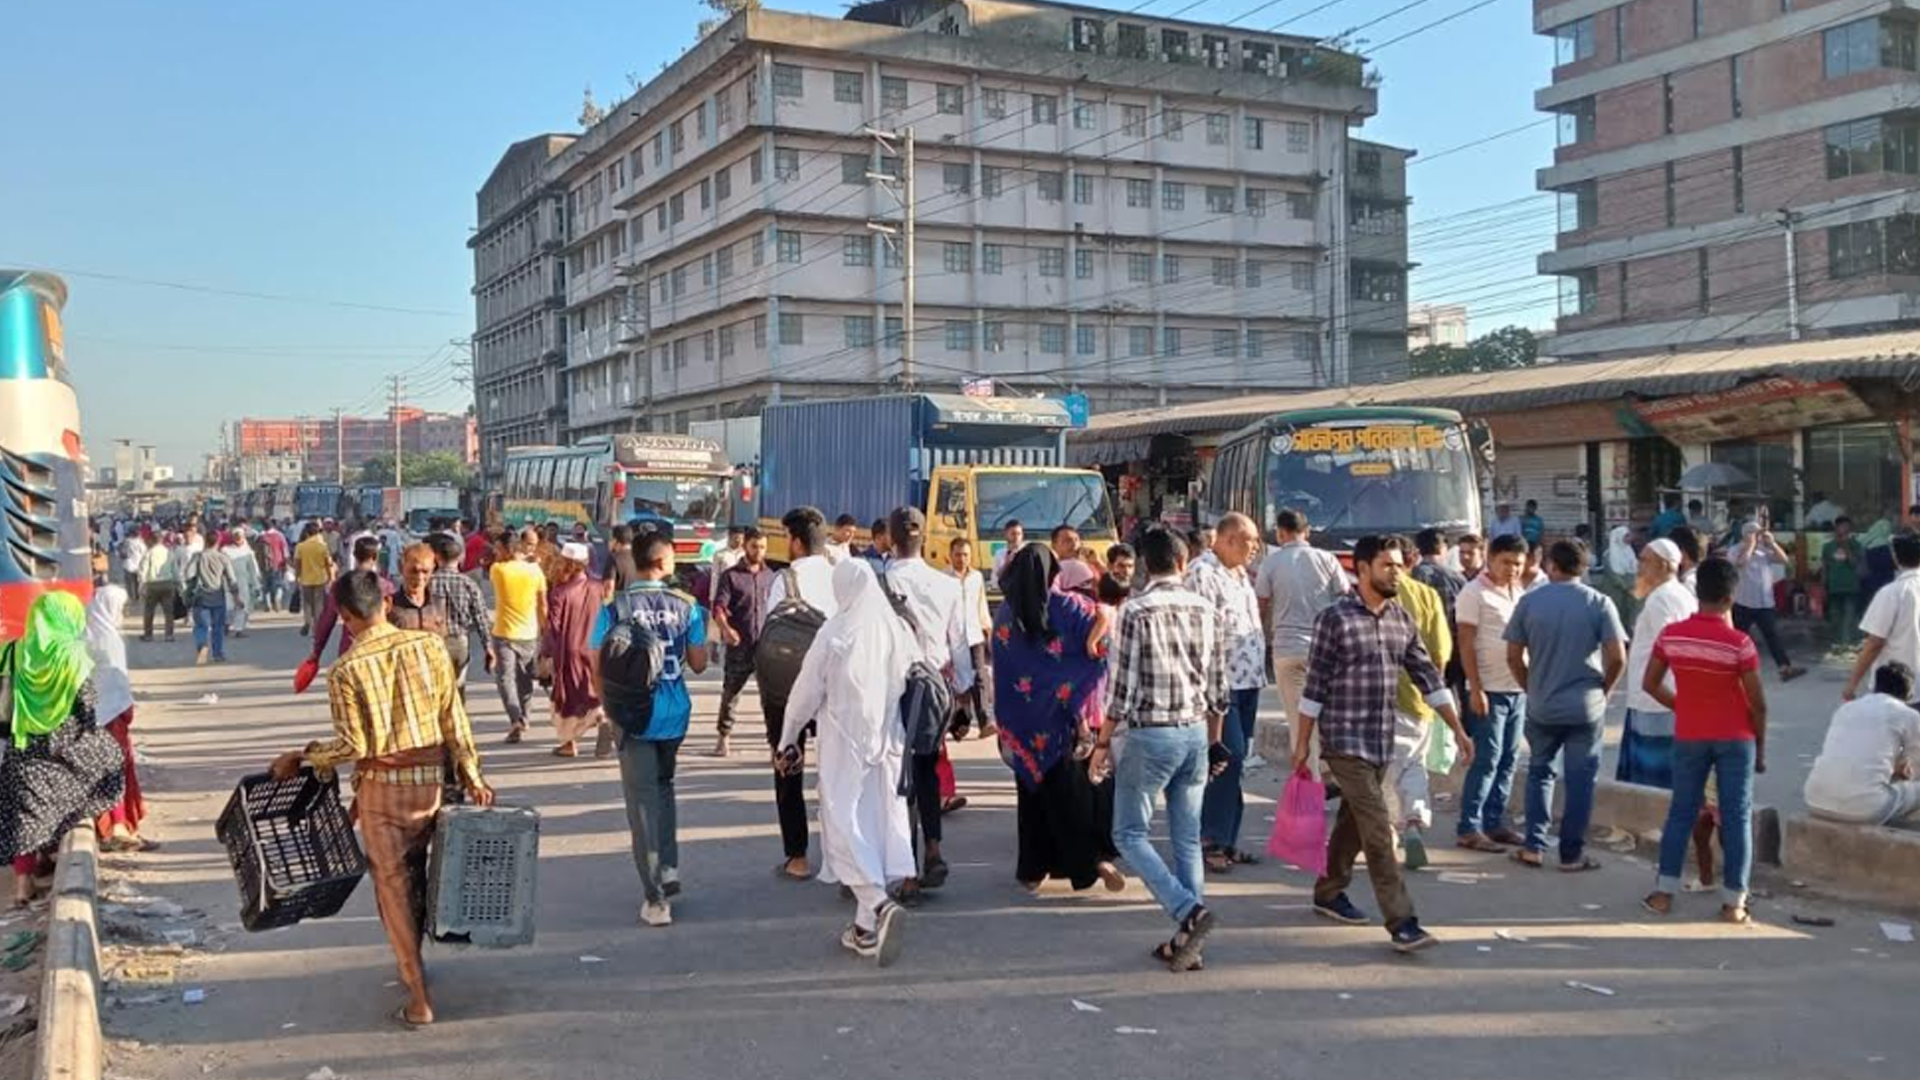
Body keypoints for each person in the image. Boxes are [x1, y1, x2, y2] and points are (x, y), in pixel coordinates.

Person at [269, 571, 492, 1026]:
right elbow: (455, 719)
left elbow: (354, 747)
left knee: (392, 886)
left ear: (346, 617)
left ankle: (417, 995)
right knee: (422, 873)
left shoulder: (346, 670)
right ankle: (418, 960)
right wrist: (472, 776)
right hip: (430, 785)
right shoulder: (430, 646)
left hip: (381, 795)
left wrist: (303, 757)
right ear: (385, 605)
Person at [1295, 535, 1471, 954]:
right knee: (1377, 829)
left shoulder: (1400, 619)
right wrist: (1302, 743)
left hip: (1380, 741)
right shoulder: (1334, 619)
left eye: (1399, 565)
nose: (1397, 572)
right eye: (1387, 566)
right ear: (1362, 569)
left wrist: (1458, 730)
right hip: (1343, 742)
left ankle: (1328, 890)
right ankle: (1403, 921)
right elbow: (1314, 686)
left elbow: (1429, 678)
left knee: (1354, 822)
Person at [1092, 525, 1227, 972]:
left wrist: (1102, 741)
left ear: (1144, 566)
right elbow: (1219, 688)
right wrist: (1214, 739)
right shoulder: (1207, 609)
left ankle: (1186, 911)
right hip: (1193, 732)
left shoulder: (1135, 610)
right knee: (1187, 837)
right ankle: (1191, 943)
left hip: (1150, 734)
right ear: (1183, 562)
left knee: (1128, 834)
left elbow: (1122, 690)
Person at [778, 559, 912, 965]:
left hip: (844, 745)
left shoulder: (835, 631)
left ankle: (877, 903)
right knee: (873, 826)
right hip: (887, 744)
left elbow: (803, 693)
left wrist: (787, 738)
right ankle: (864, 930)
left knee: (842, 828)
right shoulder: (895, 628)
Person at [1640, 557, 1766, 924]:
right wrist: (1762, 747)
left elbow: (1650, 683)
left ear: (1698, 593)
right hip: (1735, 737)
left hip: (1690, 734)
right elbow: (1758, 703)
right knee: (1736, 817)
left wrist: (1682, 706)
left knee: (1682, 811)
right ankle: (1734, 903)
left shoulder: (1672, 636)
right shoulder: (1740, 643)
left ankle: (1663, 893)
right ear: (1731, 596)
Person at [993, 545, 1124, 893]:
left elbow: (1005, 667)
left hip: (1023, 722)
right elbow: (1104, 638)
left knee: (1031, 795)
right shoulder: (1067, 605)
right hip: (1062, 720)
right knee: (1070, 796)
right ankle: (1089, 863)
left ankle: (1033, 870)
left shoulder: (1005, 613)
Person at [594, 532, 708, 927]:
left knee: (641, 803)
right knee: (664, 788)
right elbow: (698, 663)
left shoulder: (615, 607)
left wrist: (607, 709)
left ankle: (655, 897)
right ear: (662, 562)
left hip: (633, 715)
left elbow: (597, 661)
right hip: (674, 715)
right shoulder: (687, 606)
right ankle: (669, 867)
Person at [1504, 539, 1628, 871]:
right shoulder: (1599, 602)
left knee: (1540, 773)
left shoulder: (1529, 603)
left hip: (1543, 704)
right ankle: (1571, 854)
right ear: (1584, 567)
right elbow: (1617, 657)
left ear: (1550, 565)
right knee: (1580, 780)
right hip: (1586, 706)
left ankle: (1533, 845)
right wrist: (1605, 690)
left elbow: (1513, 656)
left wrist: (1530, 686)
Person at [0, 593, 125, 907]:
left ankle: (22, 885)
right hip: (64, 750)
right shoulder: (76, 655)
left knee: (21, 806)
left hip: (22, 747)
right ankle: (68, 841)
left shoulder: (12, 651)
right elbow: (88, 709)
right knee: (110, 757)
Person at [877, 507, 965, 897]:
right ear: (924, 539)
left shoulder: (879, 584)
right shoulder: (948, 585)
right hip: (933, 689)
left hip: (890, 688)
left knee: (897, 779)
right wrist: (962, 697)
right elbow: (960, 647)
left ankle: (906, 871)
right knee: (926, 771)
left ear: (890, 540)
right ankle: (933, 847)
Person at [1187, 514, 1267, 873]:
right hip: (1220, 684)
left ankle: (1228, 838)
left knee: (1238, 761)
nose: (1255, 548)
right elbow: (1196, 632)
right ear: (1229, 539)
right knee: (1225, 756)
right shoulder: (1202, 573)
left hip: (1248, 679)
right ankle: (1211, 839)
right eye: (1250, 542)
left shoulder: (1238, 574)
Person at [761, 507, 839, 881]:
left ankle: (797, 857)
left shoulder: (785, 580)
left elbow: (770, 632)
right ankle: (842, 859)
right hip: (836, 688)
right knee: (837, 772)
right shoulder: (843, 577)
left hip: (789, 688)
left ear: (795, 542)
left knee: (788, 764)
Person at [1255, 509, 1350, 783]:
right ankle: (1334, 773)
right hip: (1325, 651)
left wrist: (1261, 640)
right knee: (1327, 714)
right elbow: (1344, 598)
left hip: (1286, 651)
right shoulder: (1327, 559)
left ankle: (1313, 786)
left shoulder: (1271, 564)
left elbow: (1260, 605)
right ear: (1306, 532)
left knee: (1300, 722)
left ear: (1281, 533)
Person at [1384, 537, 1453, 871]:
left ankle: (1388, 830)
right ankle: (1413, 821)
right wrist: (1434, 693)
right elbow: (1440, 652)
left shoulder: (1374, 594)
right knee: (1413, 763)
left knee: (1383, 769)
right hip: (1417, 696)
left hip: (1374, 699)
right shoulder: (1426, 596)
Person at [1617, 539, 1696, 789]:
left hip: (1658, 699)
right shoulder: (1675, 594)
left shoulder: (1663, 598)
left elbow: (1673, 649)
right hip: (1655, 696)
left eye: (1644, 561)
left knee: (1655, 777)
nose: (1639, 567)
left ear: (1663, 565)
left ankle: (1656, 824)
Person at [86, 554, 150, 853]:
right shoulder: (108, 640)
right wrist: (125, 711)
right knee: (116, 772)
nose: (121, 613)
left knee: (109, 773)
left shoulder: (89, 633)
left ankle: (117, 825)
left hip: (96, 716)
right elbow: (116, 683)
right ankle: (118, 828)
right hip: (111, 717)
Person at [1805, 661, 1920, 826]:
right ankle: (1907, 836)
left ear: (1876, 686)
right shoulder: (1908, 714)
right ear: (1909, 693)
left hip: (1814, 799)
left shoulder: (1846, 709)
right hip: (1865, 810)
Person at [711, 527, 773, 758]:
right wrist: (726, 629)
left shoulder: (770, 576)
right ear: (745, 546)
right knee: (731, 693)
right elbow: (718, 607)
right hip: (739, 645)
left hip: (764, 647)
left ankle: (774, 741)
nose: (759, 551)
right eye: (755, 546)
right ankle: (723, 736)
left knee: (771, 696)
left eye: (763, 547)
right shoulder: (731, 576)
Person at [543, 543, 603, 759]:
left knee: (567, 698)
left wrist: (546, 653)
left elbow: (553, 627)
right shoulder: (598, 588)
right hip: (594, 648)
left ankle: (569, 743)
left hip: (568, 651)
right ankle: (600, 715)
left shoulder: (560, 592)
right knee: (590, 690)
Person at [1845, 529, 1920, 702]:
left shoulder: (1892, 592)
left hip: (1897, 685)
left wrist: (1852, 684)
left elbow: (1874, 643)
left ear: (1895, 557)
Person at [491, 527, 549, 744]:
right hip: (529, 633)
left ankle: (515, 718)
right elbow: (543, 605)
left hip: (504, 633)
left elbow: (505, 563)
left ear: (507, 549)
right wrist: (545, 631)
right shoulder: (536, 572)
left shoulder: (497, 570)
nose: (495, 553)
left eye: (498, 549)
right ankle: (524, 715)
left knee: (506, 678)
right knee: (525, 678)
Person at [1730, 521, 1805, 681]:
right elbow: (1741, 563)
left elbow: (1784, 560)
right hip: (1744, 602)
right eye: (1754, 533)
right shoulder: (1735, 550)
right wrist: (1750, 545)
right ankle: (1730, 669)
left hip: (1765, 603)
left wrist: (1772, 543)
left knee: (1773, 636)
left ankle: (1784, 668)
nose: (1757, 537)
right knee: (1738, 638)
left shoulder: (1764, 551)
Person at [426, 533, 493, 706]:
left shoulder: (428, 582)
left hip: (433, 642)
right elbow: (481, 617)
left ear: (437, 558)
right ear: (460, 558)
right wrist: (488, 647)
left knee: (435, 687)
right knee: (458, 688)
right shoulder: (469, 583)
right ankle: (457, 723)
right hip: (460, 642)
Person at [309, 537, 389, 665]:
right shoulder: (385, 586)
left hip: (350, 650)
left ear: (354, 555)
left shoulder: (340, 585)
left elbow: (327, 620)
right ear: (375, 557)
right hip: (381, 650)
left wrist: (316, 652)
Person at [947, 537, 994, 740]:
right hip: (953, 636)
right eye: (957, 554)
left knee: (979, 676)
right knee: (957, 681)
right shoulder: (943, 578)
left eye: (965, 554)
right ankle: (960, 724)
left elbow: (981, 603)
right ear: (950, 556)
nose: (962, 559)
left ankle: (985, 722)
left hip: (974, 634)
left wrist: (987, 627)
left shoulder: (976, 577)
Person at [184, 538, 239, 666]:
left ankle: (202, 644)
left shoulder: (197, 557)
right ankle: (218, 653)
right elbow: (232, 579)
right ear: (217, 542)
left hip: (200, 597)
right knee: (218, 627)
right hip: (218, 597)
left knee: (201, 626)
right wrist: (236, 595)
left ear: (205, 542)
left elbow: (188, 574)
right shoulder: (223, 557)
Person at [1822, 516, 1865, 652]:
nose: (1843, 529)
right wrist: (1823, 585)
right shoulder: (1828, 546)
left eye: (1846, 527)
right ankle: (1837, 642)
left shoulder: (1856, 545)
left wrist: (1846, 547)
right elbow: (1825, 567)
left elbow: (1855, 564)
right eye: (1840, 526)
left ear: (1850, 529)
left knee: (1849, 615)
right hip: (1834, 586)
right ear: (1836, 528)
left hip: (1851, 586)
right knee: (1835, 616)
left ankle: (1847, 643)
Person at [139, 534, 182, 642]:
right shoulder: (169, 552)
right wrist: (178, 583)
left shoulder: (149, 553)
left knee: (149, 610)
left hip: (152, 584)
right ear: (162, 540)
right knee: (169, 612)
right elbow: (175, 570)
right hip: (167, 584)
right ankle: (169, 635)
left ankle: (148, 635)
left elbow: (143, 570)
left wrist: (142, 586)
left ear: (152, 540)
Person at [295, 522, 335, 636]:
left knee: (307, 604)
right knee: (318, 606)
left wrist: (297, 577)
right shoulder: (322, 546)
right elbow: (329, 563)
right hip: (320, 579)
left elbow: (297, 564)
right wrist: (331, 578)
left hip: (305, 579)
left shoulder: (301, 546)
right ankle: (316, 629)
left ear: (307, 532)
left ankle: (307, 621)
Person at [220, 528, 260, 638]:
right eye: (236, 536)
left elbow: (252, 570)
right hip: (228, 583)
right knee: (229, 607)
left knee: (242, 606)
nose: (238, 538)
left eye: (240, 536)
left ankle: (238, 629)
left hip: (243, 583)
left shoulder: (248, 552)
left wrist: (256, 585)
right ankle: (226, 624)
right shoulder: (225, 550)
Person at [993, 520, 1025, 585]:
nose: (1016, 537)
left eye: (1019, 534)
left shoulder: (1028, 552)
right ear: (1006, 535)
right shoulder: (999, 554)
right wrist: (1006, 564)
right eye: (1013, 534)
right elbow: (995, 578)